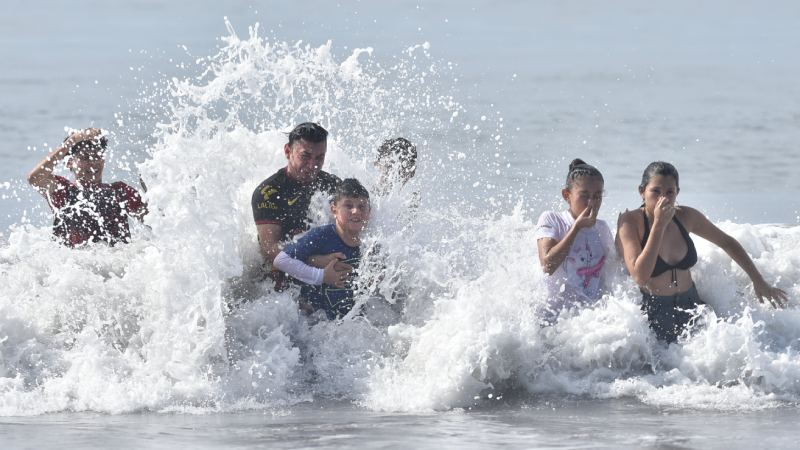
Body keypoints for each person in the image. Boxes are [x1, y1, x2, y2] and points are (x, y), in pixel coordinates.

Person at [616, 161, 788, 343]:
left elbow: (727, 243)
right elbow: (640, 276)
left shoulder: (686, 217)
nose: (663, 199)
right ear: (642, 191)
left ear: (677, 193)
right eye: (656, 192)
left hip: (692, 306)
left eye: (670, 192)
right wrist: (658, 225)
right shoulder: (630, 222)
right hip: (656, 313)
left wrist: (758, 281)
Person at [251, 122, 344, 286]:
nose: (313, 165)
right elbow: (270, 251)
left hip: (326, 269)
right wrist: (317, 265)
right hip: (282, 277)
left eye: (319, 158)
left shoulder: (332, 185)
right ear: (288, 151)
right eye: (305, 156)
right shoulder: (268, 192)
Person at [27, 128, 147, 247]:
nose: (93, 162)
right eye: (85, 157)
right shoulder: (62, 190)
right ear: (69, 162)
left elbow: (152, 220)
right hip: (74, 263)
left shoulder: (121, 191)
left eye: (97, 156)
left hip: (118, 261)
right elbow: (35, 178)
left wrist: (152, 192)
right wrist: (70, 143)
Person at [272, 178, 371, 319]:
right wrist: (321, 276)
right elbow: (281, 260)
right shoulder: (322, 236)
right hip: (314, 322)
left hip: (351, 325)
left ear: (369, 212)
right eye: (348, 206)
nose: (355, 211)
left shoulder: (371, 243)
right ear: (334, 210)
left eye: (362, 207)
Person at [535, 159, 614, 318]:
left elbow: (610, 275)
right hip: (554, 317)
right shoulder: (553, 220)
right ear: (567, 195)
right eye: (584, 195)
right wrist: (577, 228)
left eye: (597, 196)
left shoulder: (603, 228)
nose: (592, 202)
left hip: (588, 321)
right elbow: (547, 265)